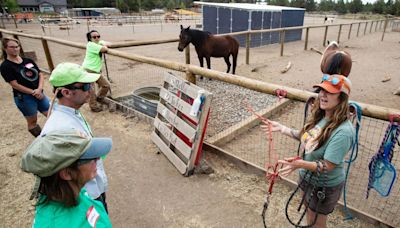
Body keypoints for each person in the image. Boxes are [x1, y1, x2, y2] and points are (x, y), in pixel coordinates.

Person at [263, 74, 355, 228]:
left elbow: (327, 166)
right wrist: (282, 128)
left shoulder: (344, 132)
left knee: (317, 223)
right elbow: (308, 138)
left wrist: (300, 164)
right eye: (322, 90)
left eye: (330, 92)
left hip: (324, 186)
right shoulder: (321, 116)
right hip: (307, 179)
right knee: (309, 216)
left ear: (342, 97)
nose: (323, 95)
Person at [41, 62, 110, 212]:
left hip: (91, 186)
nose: (91, 89)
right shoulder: (61, 127)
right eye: (85, 86)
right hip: (86, 194)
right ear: (66, 92)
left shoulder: (71, 113)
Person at [21, 129, 113, 227]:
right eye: (91, 158)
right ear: (67, 173)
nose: (98, 159)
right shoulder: (56, 224)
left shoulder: (73, 190)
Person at [0, 37, 49, 137]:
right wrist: (33, 92)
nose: (15, 49)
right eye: (12, 47)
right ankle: (40, 139)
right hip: (25, 97)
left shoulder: (28, 60)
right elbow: (14, 84)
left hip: (39, 93)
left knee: (50, 114)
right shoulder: (5, 66)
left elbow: (39, 74)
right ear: (5, 48)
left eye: (17, 46)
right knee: (32, 121)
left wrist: (39, 89)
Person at [82, 30, 111, 112]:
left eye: (98, 36)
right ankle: (94, 106)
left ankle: (99, 98)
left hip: (95, 71)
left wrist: (103, 43)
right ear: (90, 38)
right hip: (89, 70)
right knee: (91, 90)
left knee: (106, 85)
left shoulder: (97, 43)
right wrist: (104, 45)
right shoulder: (91, 45)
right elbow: (104, 49)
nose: (97, 38)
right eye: (94, 37)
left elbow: (109, 44)